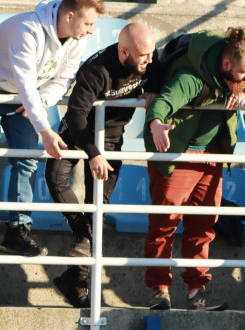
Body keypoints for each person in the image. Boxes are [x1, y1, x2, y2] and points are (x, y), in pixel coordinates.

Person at [0, 0, 103, 259]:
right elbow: (26, 83)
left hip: (25, 96)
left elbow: (64, 79)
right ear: (70, 16)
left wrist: (41, 103)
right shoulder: (26, 29)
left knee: (27, 160)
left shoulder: (77, 38)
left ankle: (18, 229)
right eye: (88, 23)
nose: (91, 30)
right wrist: (44, 129)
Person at [143, 27, 245, 312]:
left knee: (204, 227)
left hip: (212, 157)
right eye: (243, 74)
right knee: (164, 224)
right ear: (225, 65)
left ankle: (197, 293)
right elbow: (162, 102)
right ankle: (159, 291)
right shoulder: (191, 78)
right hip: (180, 156)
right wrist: (156, 123)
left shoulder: (242, 67)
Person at [45, 21, 157, 308]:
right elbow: (76, 114)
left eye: (151, 55)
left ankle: (76, 280)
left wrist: (155, 90)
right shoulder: (97, 70)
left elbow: (165, 74)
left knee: (99, 210)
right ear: (123, 53)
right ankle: (82, 232)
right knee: (55, 174)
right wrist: (93, 153)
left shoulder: (150, 62)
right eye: (143, 56)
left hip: (112, 138)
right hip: (80, 132)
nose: (149, 60)